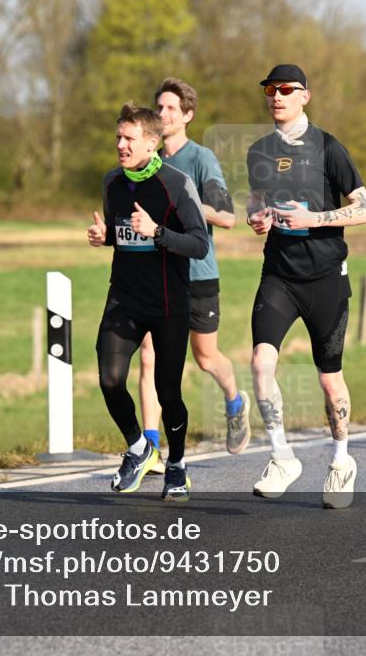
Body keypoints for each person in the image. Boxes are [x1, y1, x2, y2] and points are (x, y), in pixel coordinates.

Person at [245, 64, 366, 509]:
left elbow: (365, 209)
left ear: (305, 96)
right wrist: (256, 217)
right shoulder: (259, 150)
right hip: (279, 274)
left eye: (286, 89)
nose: (276, 96)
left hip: (325, 279)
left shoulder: (329, 148)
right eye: (270, 89)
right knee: (261, 364)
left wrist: (315, 219)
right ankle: (282, 456)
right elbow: (256, 199)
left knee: (329, 381)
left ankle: (341, 461)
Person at [87, 102, 209, 500]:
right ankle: (139, 447)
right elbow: (122, 234)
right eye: (118, 137)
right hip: (124, 297)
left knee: (168, 392)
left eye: (129, 138)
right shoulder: (112, 182)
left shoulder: (175, 184)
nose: (120, 144)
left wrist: (158, 232)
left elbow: (198, 243)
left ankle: (176, 465)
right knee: (109, 378)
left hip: (169, 302)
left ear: (152, 143)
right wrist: (103, 236)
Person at [138, 78, 251, 475]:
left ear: (187, 115)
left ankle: (236, 401)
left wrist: (184, 203)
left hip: (198, 274)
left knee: (204, 358)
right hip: (157, 275)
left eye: (170, 108)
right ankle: (150, 448)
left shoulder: (201, 159)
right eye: (159, 107)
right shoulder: (146, 161)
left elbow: (227, 216)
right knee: (149, 356)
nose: (163, 114)